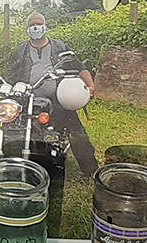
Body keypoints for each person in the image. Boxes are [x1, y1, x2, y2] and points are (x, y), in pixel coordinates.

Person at [6, 12, 98, 178]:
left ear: (45, 26)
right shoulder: (20, 50)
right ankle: (18, 163)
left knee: (75, 130)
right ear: (27, 29)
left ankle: (90, 169)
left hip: (58, 98)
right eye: (31, 25)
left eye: (38, 24)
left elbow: (79, 67)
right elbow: (12, 77)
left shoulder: (59, 47)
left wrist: (90, 85)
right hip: (29, 100)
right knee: (15, 128)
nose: (35, 28)